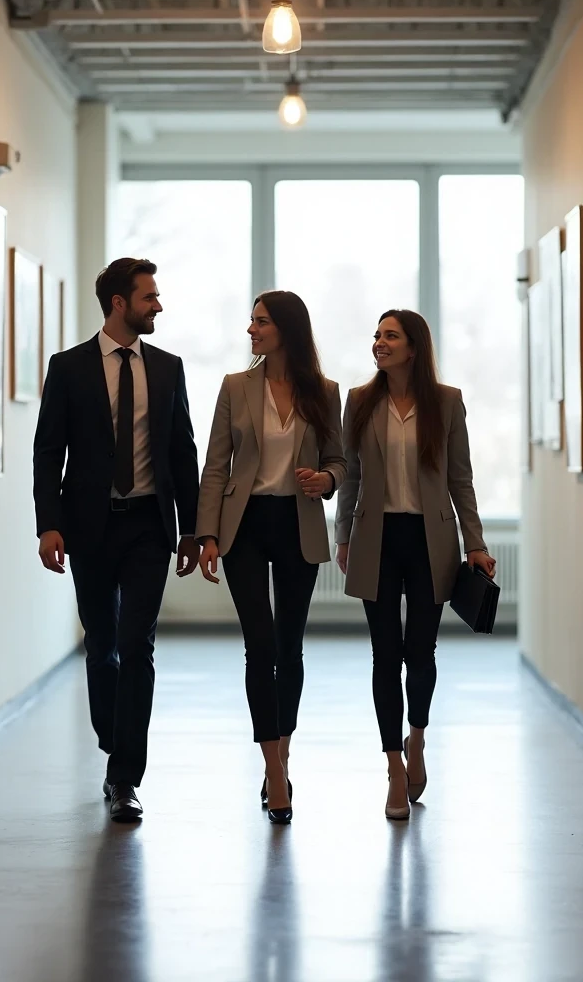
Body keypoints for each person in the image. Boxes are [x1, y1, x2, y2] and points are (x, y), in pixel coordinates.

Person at [33, 257, 201, 823]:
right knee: (101, 643)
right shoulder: (69, 367)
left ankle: (124, 776)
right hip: (89, 526)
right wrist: (48, 524)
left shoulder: (169, 369)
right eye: (149, 296)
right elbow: (46, 453)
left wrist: (193, 528)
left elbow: (183, 453)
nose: (158, 305)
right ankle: (113, 733)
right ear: (118, 304)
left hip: (148, 527)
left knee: (139, 647)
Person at [335, 309, 495, 821]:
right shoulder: (359, 401)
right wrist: (343, 538)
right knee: (385, 654)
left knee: (419, 650)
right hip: (376, 538)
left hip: (431, 540)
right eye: (377, 335)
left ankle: (418, 738)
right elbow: (353, 477)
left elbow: (460, 479)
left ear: (413, 347)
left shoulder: (446, 403)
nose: (379, 343)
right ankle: (394, 767)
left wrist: (476, 543)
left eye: (390, 335)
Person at [195, 291, 346, 824]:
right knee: (259, 647)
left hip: (297, 525)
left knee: (290, 647)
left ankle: (281, 753)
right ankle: (274, 771)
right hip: (244, 526)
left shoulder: (324, 393)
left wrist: (325, 479)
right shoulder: (236, 388)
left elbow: (339, 461)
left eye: (259, 322)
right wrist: (205, 534)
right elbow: (215, 465)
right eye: (252, 321)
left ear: (285, 329)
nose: (251, 330)